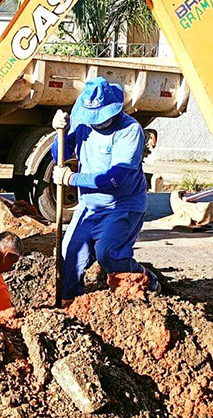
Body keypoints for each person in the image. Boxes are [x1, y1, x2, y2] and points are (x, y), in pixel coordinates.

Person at [51, 77, 159, 304]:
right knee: (69, 255)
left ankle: (145, 279)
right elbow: (59, 154)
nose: (96, 123)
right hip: (89, 206)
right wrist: (59, 132)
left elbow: (116, 178)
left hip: (123, 207)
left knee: (108, 254)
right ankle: (71, 305)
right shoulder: (83, 124)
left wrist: (72, 178)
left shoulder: (130, 130)